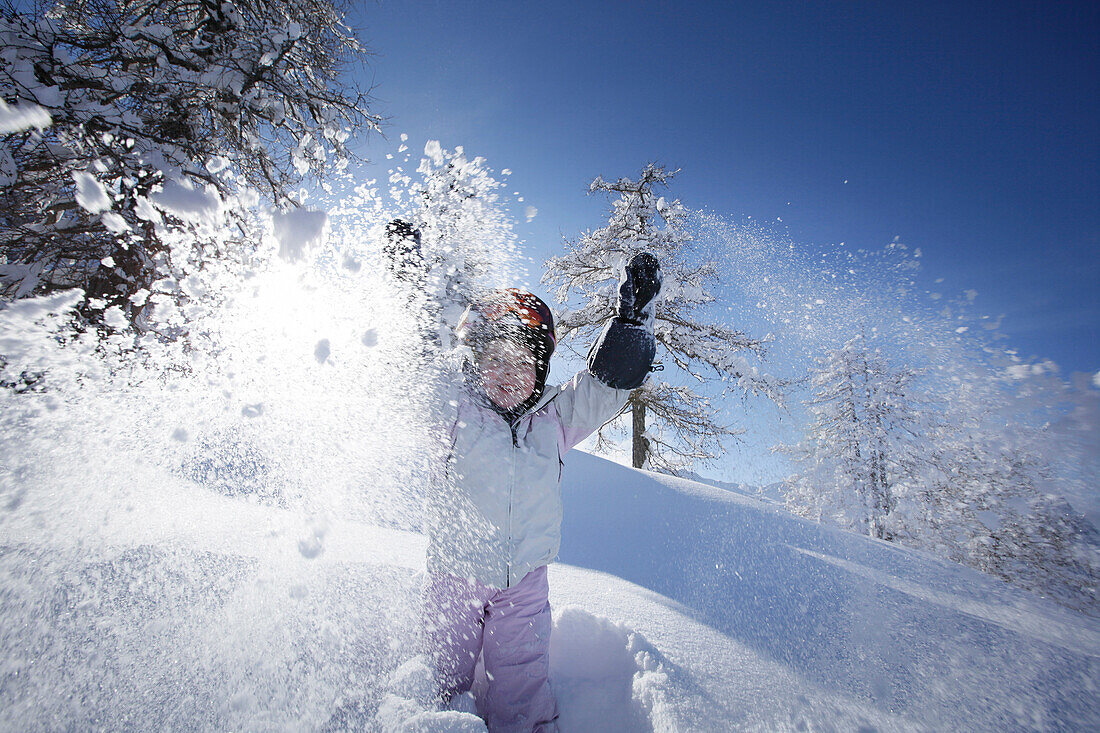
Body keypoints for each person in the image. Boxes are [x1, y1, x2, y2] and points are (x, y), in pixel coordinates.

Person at [425, 252, 662, 732]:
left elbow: (604, 388)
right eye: (495, 360)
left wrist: (631, 325)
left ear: (541, 369)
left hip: (525, 586)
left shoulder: (554, 419)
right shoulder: (454, 412)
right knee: (440, 674)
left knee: (522, 679)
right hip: (455, 577)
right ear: (475, 365)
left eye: (522, 362)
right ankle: (432, 721)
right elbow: (408, 378)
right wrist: (409, 291)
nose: (508, 373)